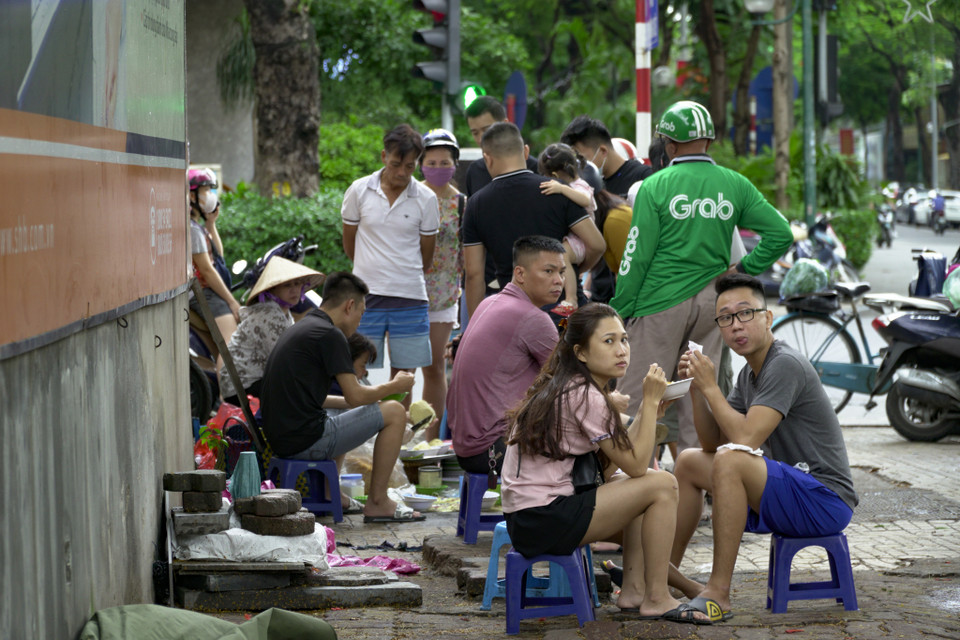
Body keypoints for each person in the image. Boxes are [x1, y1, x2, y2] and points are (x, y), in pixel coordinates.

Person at [500, 303, 711, 624]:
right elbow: (638, 466)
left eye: (624, 340)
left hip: (532, 517)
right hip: (542, 519)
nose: (621, 350)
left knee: (642, 489)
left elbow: (610, 467)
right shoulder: (585, 395)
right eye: (608, 341)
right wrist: (650, 401)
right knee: (661, 483)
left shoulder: (572, 385)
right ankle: (657, 598)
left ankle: (635, 592)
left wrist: (647, 414)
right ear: (581, 353)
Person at [671, 273, 858, 621]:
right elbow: (713, 442)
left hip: (825, 498)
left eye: (745, 313)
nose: (736, 325)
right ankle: (665, 577)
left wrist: (712, 388)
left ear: (767, 317)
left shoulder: (784, 363)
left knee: (731, 460)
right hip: (792, 489)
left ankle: (718, 594)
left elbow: (743, 441)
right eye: (725, 318)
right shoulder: (748, 375)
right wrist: (697, 390)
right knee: (689, 462)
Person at [610, 100, 794, 454]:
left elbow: (636, 255)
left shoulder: (655, 186)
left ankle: (633, 494)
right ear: (709, 142)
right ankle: (702, 492)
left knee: (637, 403)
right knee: (700, 400)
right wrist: (741, 271)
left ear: (670, 145)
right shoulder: (734, 184)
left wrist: (621, 308)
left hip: (657, 304)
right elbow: (780, 234)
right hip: (714, 305)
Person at [259, 272, 424, 523]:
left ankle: (331, 493)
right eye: (362, 312)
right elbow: (356, 395)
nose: (360, 320)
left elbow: (335, 400)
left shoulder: (306, 325)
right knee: (395, 412)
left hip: (282, 439)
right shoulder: (330, 334)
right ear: (350, 306)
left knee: (343, 413)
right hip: (305, 440)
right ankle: (379, 501)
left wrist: (372, 403)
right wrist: (395, 385)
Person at [447, 236, 566, 477]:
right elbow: (570, 383)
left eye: (562, 272)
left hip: (465, 449)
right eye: (548, 271)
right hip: (492, 451)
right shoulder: (534, 319)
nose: (558, 281)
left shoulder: (490, 302)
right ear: (520, 274)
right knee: (589, 441)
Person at [462, 122, 605, 318]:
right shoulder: (556, 189)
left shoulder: (476, 205)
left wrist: (475, 326)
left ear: (487, 158)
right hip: (563, 310)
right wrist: (570, 268)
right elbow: (597, 244)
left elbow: (474, 274)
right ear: (526, 151)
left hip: (514, 312)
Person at [341, 124, 439, 406]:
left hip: (410, 296)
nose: (401, 172)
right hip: (365, 297)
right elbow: (350, 245)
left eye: (409, 166)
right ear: (384, 156)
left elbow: (427, 257)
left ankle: (397, 438)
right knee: (356, 371)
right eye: (396, 164)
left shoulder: (426, 198)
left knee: (404, 378)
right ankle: (361, 441)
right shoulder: (359, 191)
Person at [218, 257, 324, 406]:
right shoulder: (269, 314)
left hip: (250, 383)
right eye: (287, 285)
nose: (294, 289)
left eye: (297, 283)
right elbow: (287, 361)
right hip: (242, 389)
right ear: (273, 289)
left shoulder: (283, 313)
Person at [417, 128, 464, 440]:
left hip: (444, 296)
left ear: (454, 164)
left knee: (434, 367)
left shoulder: (463, 204)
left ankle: (430, 440)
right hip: (408, 292)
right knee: (404, 371)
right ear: (421, 163)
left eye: (443, 162)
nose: (437, 168)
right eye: (431, 162)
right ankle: (398, 441)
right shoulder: (411, 196)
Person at [537, 143, 597, 312]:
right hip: (574, 239)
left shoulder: (580, 186)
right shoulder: (574, 186)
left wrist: (562, 189)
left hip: (582, 240)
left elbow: (585, 200)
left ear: (555, 175)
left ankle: (571, 299)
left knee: (563, 254)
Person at [188, 168, 241, 345]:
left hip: (205, 292)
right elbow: (208, 271)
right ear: (192, 196)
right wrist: (232, 302)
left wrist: (211, 223)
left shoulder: (196, 227)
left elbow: (217, 256)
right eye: (205, 190)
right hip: (204, 294)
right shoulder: (192, 230)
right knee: (231, 344)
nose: (210, 194)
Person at [463, 96, 540, 197]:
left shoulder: (537, 169)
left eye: (487, 130)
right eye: (475, 133)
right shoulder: (474, 171)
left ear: (505, 124)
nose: (481, 139)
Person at [560, 115, 652, 199]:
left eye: (581, 159)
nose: (579, 166)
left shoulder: (644, 177)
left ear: (603, 151)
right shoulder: (588, 187)